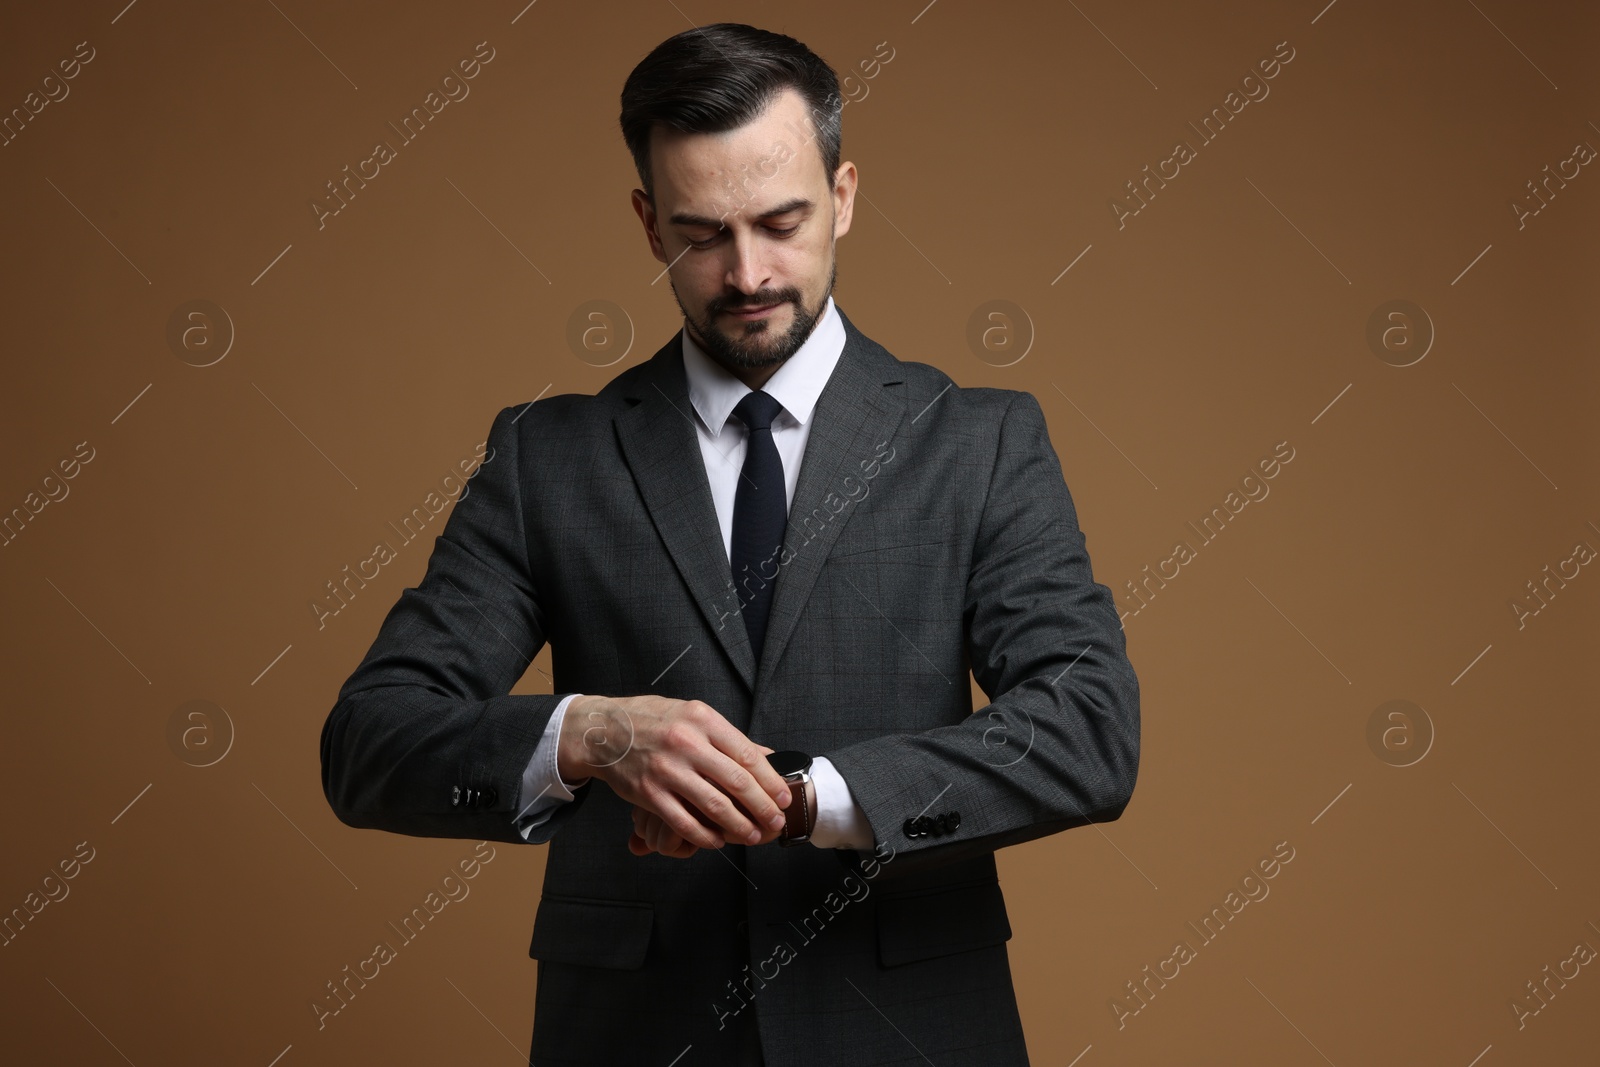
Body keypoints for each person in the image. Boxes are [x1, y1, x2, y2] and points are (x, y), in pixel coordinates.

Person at [320, 21, 1139, 1066]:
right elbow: (370, 742)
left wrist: (811, 799)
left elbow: (1087, 729)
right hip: (630, 1035)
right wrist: (590, 735)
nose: (747, 272)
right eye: (702, 232)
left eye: (782, 221)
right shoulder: (547, 457)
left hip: (909, 1030)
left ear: (842, 195)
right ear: (647, 223)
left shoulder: (977, 440)